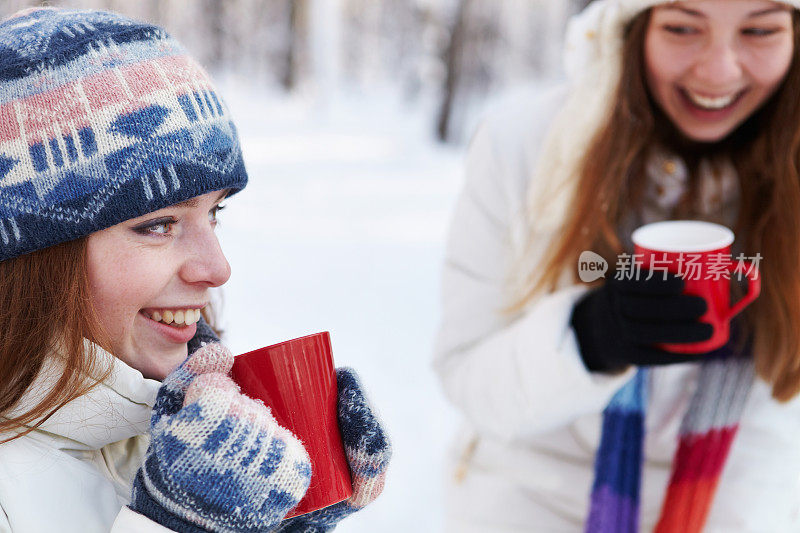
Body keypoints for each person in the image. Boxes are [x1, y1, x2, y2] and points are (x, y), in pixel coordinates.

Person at [0, 7, 390, 533]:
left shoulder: (158, 418)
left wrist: (281, 521)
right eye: (159, 223)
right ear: (33, 260)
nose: (218, 268)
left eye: (215, 213)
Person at [433, 0, 800, 531]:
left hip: (736, 501)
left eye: (761, 30)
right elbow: (465, 374)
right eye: (681, 27)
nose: (719, 69)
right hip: (533, 501)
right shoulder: (524, 149)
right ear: (630, 28)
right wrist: (587, 338)